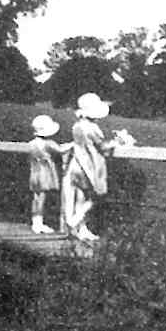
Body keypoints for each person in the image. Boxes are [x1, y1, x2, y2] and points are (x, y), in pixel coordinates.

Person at [63, 93, 117, 241]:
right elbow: (103, 147)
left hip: (76, 163)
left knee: (81, 196)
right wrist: (116, 142)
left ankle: (82, 229)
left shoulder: (77, 126)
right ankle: (73, 221)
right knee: (95, 197)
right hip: (89, 166)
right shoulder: (93, 128)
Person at [29, 115, 72, 234]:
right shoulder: (49, 143)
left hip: (35, 171)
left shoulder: (32, 143)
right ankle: (39, 224)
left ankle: (36, 222)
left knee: (36, 197)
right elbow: (60, 150)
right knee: (42, 197)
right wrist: (72, 144)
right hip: (45, 172)